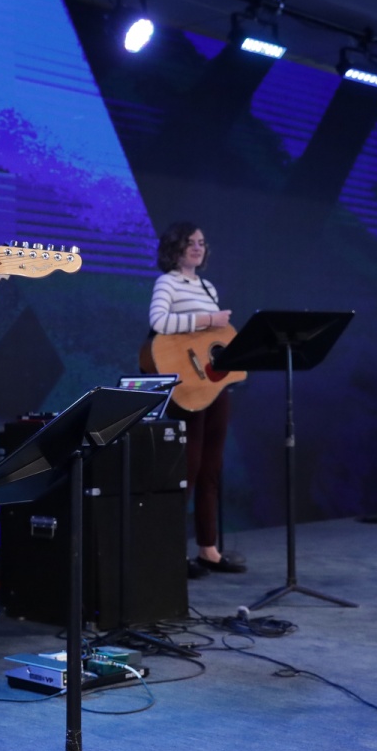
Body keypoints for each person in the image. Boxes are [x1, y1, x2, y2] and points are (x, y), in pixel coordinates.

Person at [148, 221, 247, 578]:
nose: (197, 247)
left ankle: (209, 549)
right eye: (190, 242)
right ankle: (171, 551)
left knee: (211, 469)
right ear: (174, 247)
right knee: (187, 469)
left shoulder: (207, 286)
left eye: (201, 243)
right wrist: (207, 318)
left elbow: (205, 342)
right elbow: (159, 322)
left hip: (213, 384)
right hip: (187, 386)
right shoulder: (167, 283)